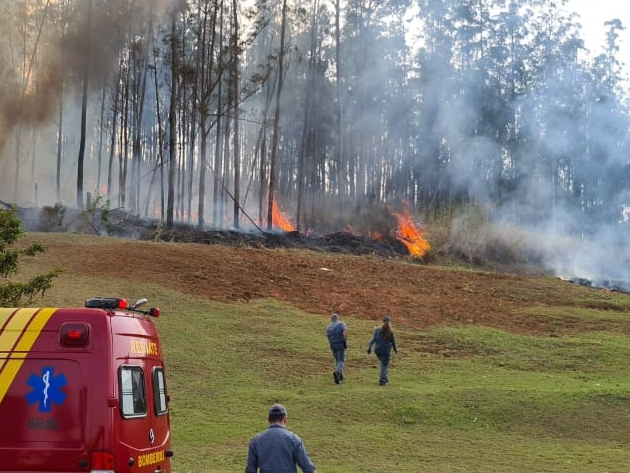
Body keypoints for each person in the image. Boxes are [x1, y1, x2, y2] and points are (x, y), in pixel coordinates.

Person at [245, 403, 318, 473]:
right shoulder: (293, 439)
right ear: (285, 419)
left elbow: (250, 470)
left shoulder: (256, 441)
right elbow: (308, 468)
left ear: (268, 420)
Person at [366, 314, 398, 386]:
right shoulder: (390, 331)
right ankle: (382, 380)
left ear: (383, 321)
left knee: (384, 364)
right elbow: (393, 342)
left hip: (377, 350)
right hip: (386, 350)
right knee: (384, 364)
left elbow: (373, 340)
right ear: (389, 322)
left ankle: (385, 378)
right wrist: (395, 350)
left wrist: (369, 348)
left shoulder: (377, 329)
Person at [326, 312, 348, 384]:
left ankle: (340, 376)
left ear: (331, 319)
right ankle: (337, 372)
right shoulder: (341, 324)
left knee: (337, 360)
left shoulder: (328, 327)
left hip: (332, 345)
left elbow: (328, 337)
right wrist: (345, 340)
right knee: (341, 360)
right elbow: (345, 331)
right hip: (340, 344)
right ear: (337, 318)